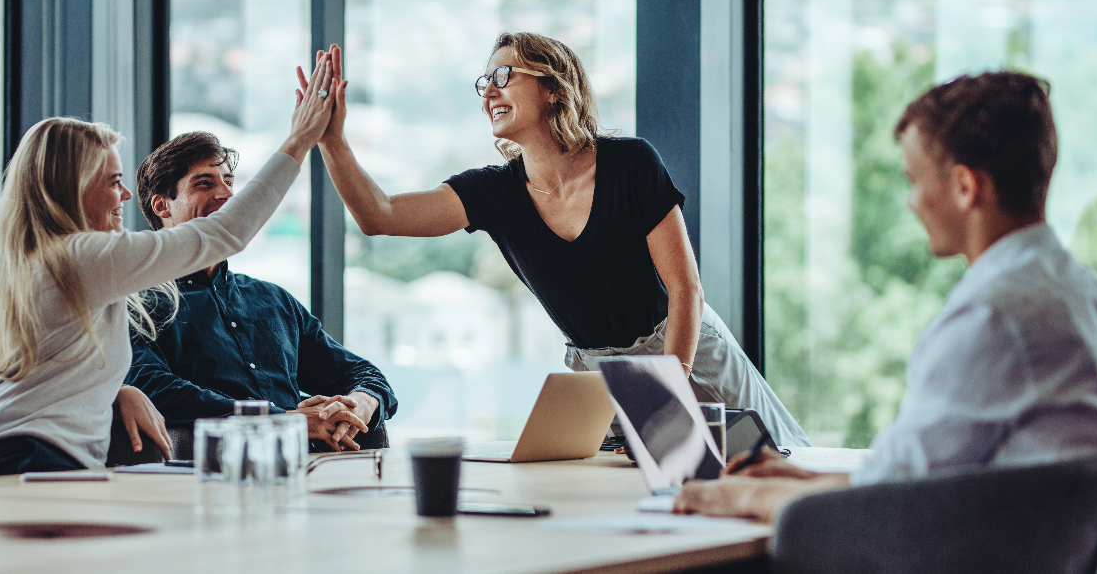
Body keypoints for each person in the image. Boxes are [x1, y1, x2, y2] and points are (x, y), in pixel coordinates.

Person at [307, 32, 809, 447]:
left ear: (553, 87)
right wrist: (332, 140)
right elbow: (380, 215)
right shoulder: (493, 192)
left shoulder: (631, 163)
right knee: (636, 506)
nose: (489, 92)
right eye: (485, 82)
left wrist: (665, 389)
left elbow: (686, 291)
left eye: (505, 76)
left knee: (778, 472)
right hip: (600, 379)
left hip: (687, 351)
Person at [673, 71, 1097, 521]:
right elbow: (914, 475)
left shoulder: (994, 315)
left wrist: (738, 497)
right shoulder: (1079, 292)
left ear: (964, 187)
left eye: (915, 181)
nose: (911, 202)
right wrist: (801, 478)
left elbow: (889, 503)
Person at [0, 52, 337, 475]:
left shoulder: (38, 262)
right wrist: (299, 141)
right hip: (28, 457)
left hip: (4, 450)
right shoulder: (80, 257)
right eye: (113, 182)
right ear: (73, 188)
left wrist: (118, 390)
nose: (125, 196)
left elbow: (49, 371)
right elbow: (225, 233)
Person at [124, 131, 398, 452]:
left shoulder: (273, 299)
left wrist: (361, 402)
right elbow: (151, 386)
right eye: (204, 183)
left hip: (311, 471)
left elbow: (360, 372)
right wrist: (281, 419)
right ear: (162, 205)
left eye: (228, 181)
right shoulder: (136, 301)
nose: (227, 194)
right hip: (213, 474)